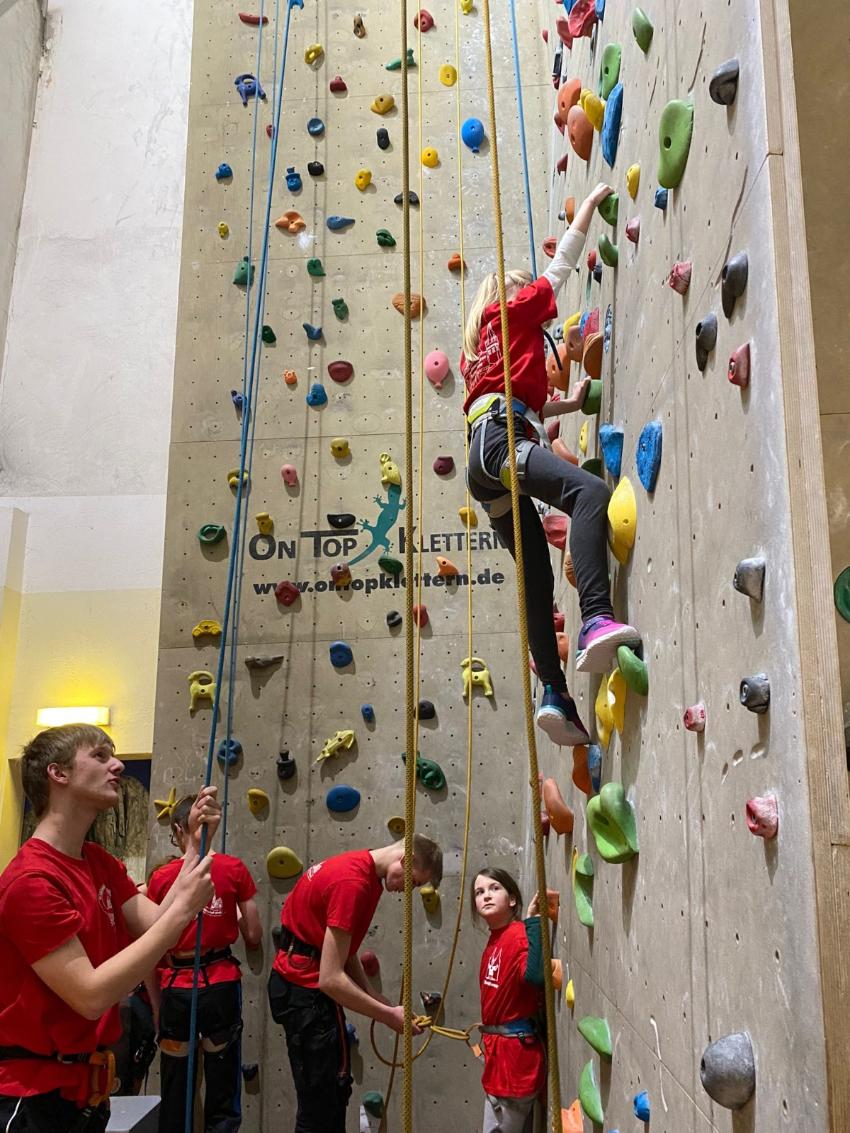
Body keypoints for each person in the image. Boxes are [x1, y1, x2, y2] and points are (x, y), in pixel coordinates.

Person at [462, 183, 641, 746]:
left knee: (536, 576)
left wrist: (570, 400)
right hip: (500, 441)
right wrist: (587, 206)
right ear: (511, 293)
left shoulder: (485, 348)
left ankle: (556, 697)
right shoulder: (510, 308)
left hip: (486, 455)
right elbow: (560, 268)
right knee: (589, 494)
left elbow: (524, 405)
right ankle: (595, 617)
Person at [0, 723, 218, 1133]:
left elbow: (155, 923)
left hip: (84, 1090)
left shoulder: (97, 861)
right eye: (100, 756)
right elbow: (91, 995)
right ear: (57, 773)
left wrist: (193, 847)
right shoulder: (32, 882)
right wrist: (180, 912)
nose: (117, 765)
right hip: (33, 1097)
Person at [267, 836, 443, 1133]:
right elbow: (331, 978)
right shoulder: (354, 883)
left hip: (297, 985)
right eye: (413, 882)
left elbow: (343, 951)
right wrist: (388, 1016)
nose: (407, 891)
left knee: (326, 1098)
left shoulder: (363, 872)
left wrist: (376, 997)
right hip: (306, 994)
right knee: (322, 1105)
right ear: (405, 861)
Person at [146, 795, 262, 1133]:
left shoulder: (161, 879)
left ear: (179, 829)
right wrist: (231, 909)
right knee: (223, 1090)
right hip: (220, 983)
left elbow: (150, 946)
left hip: (176, 986)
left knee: (176, 1087)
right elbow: (253, 935)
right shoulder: (233, 869)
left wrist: (156, 1006)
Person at [471, 868, 546, 1133]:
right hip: (500, 1057)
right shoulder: (495, 940)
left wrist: (533, 923)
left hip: (514, 1062)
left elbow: (536, 975)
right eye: (479, 892)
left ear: (512, 899)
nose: (486, 896)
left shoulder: (517, 934)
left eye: (494, 888)